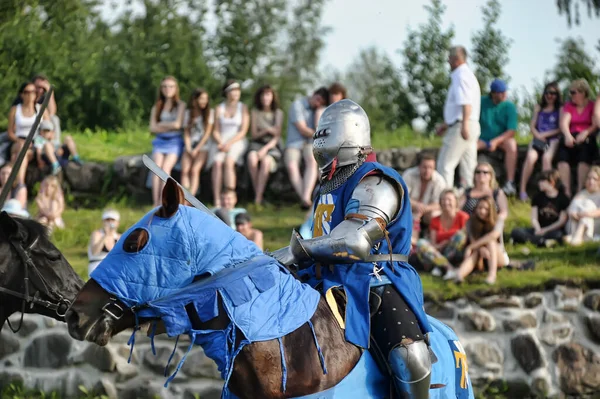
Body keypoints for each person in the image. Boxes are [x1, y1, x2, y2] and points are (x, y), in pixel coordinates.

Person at [272, 99, 433, 398]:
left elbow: (354, 239)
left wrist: (298, 251)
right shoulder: (328, 186)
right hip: (324, 279)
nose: (320, 140)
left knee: (409, 357)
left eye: (325, 133)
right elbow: (315, 237)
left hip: (375, 279)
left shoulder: (375, 180)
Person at [436, 45, 481, 189]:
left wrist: (464, 124)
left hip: (462, 125)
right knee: (468, 167)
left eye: (449, 58)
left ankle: (444, 201)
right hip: (470, 123)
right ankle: (470, 201)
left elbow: (466, 102)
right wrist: (445, 124)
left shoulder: (460, 75)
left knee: (445, 165)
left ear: (455, 59)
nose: (448, 62)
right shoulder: (468, 75)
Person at [284, 87, 329, 209]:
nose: (318, 103)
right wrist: (318, 133)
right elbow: (302, 129)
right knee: (291, 166)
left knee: (311, 160)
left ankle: (305, 198)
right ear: (313, 94)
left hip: (310, 143)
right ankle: (305, 199)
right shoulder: (297, 105)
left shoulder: (319, 110)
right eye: (318, 99)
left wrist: (319, 114)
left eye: (321, 102)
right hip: (294, 143)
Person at [518, 82, 562, 201]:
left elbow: (560, 128)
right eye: (548, 93)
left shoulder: (560, 109)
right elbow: (532, 125)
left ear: (557, 95)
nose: (550, 96)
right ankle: (522, 190)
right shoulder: (539, 107)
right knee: (530, 158)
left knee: (546, 159)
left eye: (553, 93)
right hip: (538, 139)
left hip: (552, 139)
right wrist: (537, 135)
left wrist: (545, 134)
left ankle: (547, 190)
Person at [446, 196, 506, 284]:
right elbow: (472, 240)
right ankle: (459, 275)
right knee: (476, 252)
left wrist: (470, 247)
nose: (482, 211)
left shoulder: (498, 220)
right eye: (480, 208)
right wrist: (480, 248)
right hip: (480, 256)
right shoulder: (471, 222)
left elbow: (493, 235)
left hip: (497, 256)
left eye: (486, 209)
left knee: (490, 242)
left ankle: (492, 275)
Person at [557, 79, 598, 198]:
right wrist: (568, 135)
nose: (571, 95)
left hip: (586, 135)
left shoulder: (592, 105)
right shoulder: (569, 106)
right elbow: (564, 123)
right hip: (571, 134)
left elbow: (595, 124)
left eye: (573, 92)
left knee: (584, 154)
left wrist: (586, 132)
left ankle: (580, 189)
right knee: (562, 155)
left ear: (583, 92)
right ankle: (566, 191)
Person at [211, 80, 250, 207]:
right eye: (233, 90)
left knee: (229, 161)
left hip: (237, 140)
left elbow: (243, 131)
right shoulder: (219, 108)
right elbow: (215, 130)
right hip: (221, 141)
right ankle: (217, 199)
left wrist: (229, 143)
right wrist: (221, 143)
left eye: (238, 90)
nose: (236, 93)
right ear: (227, 92)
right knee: (217, 163)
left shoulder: (242, 108)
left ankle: (230, 198)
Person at [149, 76, 186, 207]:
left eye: (171, 86)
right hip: (160, 141)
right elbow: (152, 127)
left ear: (176, 89)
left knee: (165, 169)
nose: (167, 89)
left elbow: (178, 124)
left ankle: (164, 200)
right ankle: (156, 203)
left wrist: (161, 125)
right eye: (164, 86)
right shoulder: (157, 106)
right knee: (156, 168)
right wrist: (167, 125)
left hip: (174, 142)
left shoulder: (180, 105)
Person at [415, 188, 469, 277]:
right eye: (443, 200)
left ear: (456, 202)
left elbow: (465, 239)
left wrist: (447, 243)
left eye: (449, 200)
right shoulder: (435, 220)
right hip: (438, 252)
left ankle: (440, 267)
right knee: (421, 243)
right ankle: (448, 268)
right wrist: (441, 245)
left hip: (456, 253)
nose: (446, 202)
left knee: (460, 235)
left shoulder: (463, 217)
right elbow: (433, 244)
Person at [478, 79, 519, 196]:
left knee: (512, 144)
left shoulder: (509, 106)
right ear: (493, 93)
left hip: (501, 140)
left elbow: (511, 130)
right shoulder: (481, 102)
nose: (504, 95)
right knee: (469, 147)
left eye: (504, 92)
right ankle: (466, 181)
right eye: (500, 92)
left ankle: (510, 182)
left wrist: (496, 141)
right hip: (482, 139)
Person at [511, 170, 569, 247]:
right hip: (538, 228)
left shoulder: (563, 199)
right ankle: (541, 242)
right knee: (516, 231)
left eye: (542, 181)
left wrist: (546, 230)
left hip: (552, 230)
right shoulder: (538, 197)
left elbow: (561, 221)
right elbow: (534, 218)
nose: (539, 183)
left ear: (552, 182)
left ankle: (535, 240)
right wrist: (538, 229)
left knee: (558, 235)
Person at [7, 82, 51, 185]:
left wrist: (41, 140)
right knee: (22, 147)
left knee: (20, 156)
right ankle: (20, 184)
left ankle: (17, 183)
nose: (30, 94)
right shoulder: (15, 110)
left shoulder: (41, 109)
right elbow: (10, 132)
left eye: (33, 92)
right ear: (21, 94)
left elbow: (49, 129)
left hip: (36, 143)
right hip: (19, 141)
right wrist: (21, 141)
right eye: (27, 92)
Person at [247, 85, 283, 205]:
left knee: (266, 161)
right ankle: (259, 194)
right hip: (257, 143)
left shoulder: (278, 113)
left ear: (272, 97)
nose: (265, 98)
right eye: (263, 95)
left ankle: (257, 197)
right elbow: (254, 134)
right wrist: (267, 130)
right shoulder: (255, 112)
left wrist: (265, 149)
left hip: (272, 146)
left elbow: (276, 135)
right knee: (252, 158)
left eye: (268, 95)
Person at [402, 153, 447, 243]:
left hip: (428, 212)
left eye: (430, 168)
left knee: (435, 215)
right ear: (419, 166)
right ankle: (411, 243)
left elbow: (441, 203)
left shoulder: (439, 181)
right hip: (409, 209)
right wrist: (416, 206)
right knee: (409, 214)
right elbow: (402, 196)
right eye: (424, 167)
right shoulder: (409, 174)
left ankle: (433, 240)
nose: (427, 171)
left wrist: (424, 208)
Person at [181, 88, 214, 197]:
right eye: (202, 98)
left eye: (206, 99)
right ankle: (184, 195)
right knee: (185, 170)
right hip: (190, 145)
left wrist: (197, 149)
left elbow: (207, 134)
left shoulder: (210, 113)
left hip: (203, 146)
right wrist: (189, 147)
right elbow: (186, 133)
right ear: (195, 100)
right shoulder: (188, 114)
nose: (204, 101)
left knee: (195, 170)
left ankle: (191, 198)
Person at [564, 166, 600, 246]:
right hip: (574, 224)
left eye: (594, 179)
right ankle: (578, 236)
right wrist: (573, 213)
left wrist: (586, 214)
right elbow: (569, 209)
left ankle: (576, 237)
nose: (591, 181)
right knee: (576, 203)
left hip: (595, 225)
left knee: (588, 204)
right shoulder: (582, 193)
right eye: (589, 178)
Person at [87, 209, 122, 276]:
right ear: (103, 222)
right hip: (97, 266)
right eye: (107, 220)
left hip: (113, 268)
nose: (110, 222)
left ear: (117, 223)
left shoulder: (119, 237)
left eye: (112, 220)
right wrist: (106, 235)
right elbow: (94, 252)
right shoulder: (97, 234)